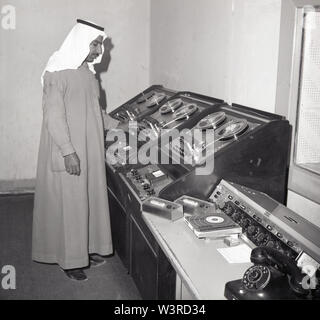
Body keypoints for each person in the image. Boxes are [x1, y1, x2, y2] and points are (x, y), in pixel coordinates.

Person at [32, 19, 118, 281]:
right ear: (80, 42)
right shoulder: (56, 73)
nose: (98, 51)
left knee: (88, 200)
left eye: (99, 45)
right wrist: (68, 151)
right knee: (70, 205)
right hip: (67, 149)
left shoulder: (88, 75)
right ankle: (69, 260)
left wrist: (123, 125)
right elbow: (54, 117)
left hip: (90, 148)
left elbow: (96, 113)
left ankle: (86, 249)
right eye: (95, 44)